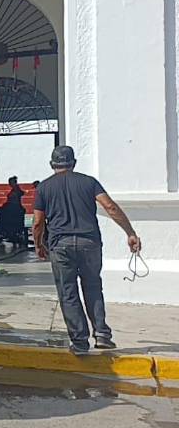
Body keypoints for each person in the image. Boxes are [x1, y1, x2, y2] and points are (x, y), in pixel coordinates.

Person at [33, 146, 141, 355]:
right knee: (93, 287)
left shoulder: (44, 188)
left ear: (51, 164)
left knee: (68, 292)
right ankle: (102, 335)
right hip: (90, 243)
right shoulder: (89, 182)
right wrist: (130, 232)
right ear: (74, 163)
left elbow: (38, 222)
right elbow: (110, 206)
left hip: (60, 245)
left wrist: (39, 245)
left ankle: (80, 342)